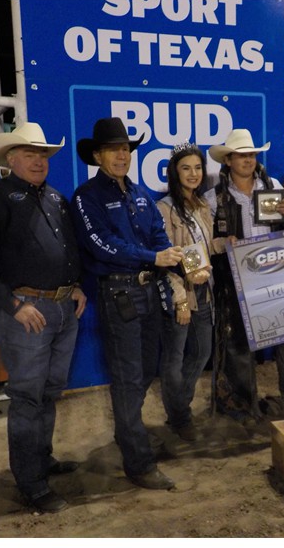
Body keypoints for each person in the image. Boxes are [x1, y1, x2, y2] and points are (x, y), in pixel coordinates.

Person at [0, 122, 87, 514]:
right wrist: (15, 306)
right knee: (28, 396)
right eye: (29, 154)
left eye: (43, 154)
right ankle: (30, 482)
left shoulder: (55, 199)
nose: (38, 160)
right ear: (11, 158)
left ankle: (41, 460)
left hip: (63, 307)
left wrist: (77, 285)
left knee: (48, 392)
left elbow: (66, 252)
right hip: (26, 313)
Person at [70, 117, 183, 491]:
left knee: (145, 368)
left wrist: (166, 254)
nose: (122, 155)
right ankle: (138, 463)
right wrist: (154, 258)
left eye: (126, 149)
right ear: (98, 155)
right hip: (119, 294)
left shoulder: (138, 193)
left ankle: (128, 433)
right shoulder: (87, 197)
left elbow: (157, 232)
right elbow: (100, 244)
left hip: (147, 291)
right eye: (114, 149)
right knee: (129, 375)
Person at [205, 128, 284, 422]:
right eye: (242, 155)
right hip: (234, 280)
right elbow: (207, 241)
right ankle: (244, 405)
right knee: (238, 345)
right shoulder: (212, 198)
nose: (248, 159)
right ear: (228, 160)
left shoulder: (274, 186)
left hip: (275, 275)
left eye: (252, 154)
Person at [156, 142, 227, 442]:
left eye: (197, 168)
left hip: (205, 292)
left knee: (201, 352)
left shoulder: (202, 206)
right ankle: (180, 417)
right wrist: (180, 299)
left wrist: (228, 243)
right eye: (186, 168)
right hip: (182, 296)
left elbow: (206, 248)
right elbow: (166, 258)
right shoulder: (164, 209)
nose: (193, 173)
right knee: (174, 358)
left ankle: (178, 409)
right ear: (175, 172)